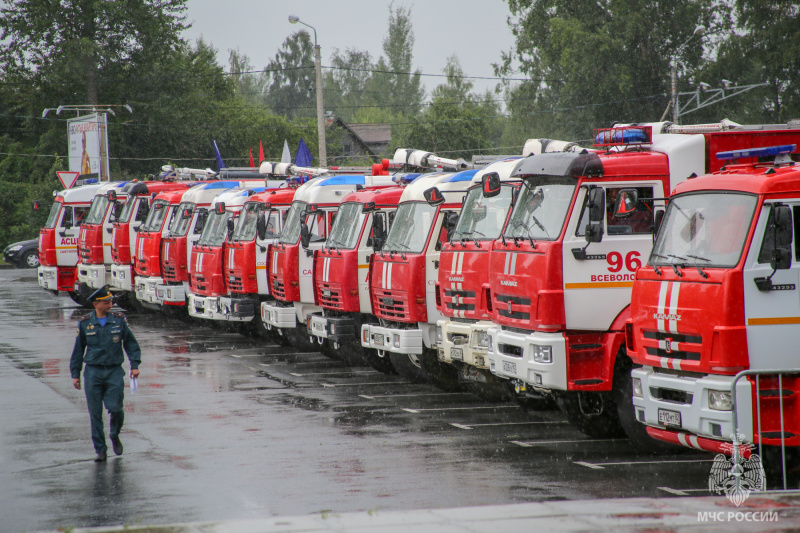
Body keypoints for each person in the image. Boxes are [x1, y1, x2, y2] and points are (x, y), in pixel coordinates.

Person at [70, 285, 141, 462]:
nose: (110, 305)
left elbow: (130, 344)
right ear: (96, 304)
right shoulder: (86, 322)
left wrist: (134, 364)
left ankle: (115, 434)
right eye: (107, 302)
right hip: (93, 372)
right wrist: (75, 373)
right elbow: (78, 350)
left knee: (116, 409)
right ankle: (100, 450)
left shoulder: (119, 320)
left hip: (113, 371)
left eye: (110, 301)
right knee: (95, 414)